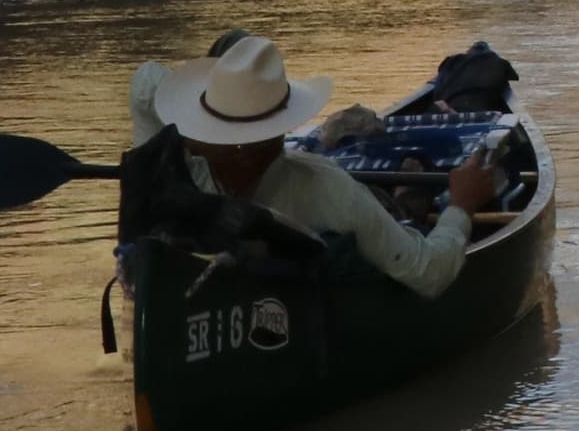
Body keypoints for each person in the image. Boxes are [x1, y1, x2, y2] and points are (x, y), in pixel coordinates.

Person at [129, 34, 499, 300]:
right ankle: (407, 191)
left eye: (239, 144)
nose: (232, 154)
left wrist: (459, 207)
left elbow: (425, 272)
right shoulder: (179, 168)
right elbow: (145, 81)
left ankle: (408, 193)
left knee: (401, 208)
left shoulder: (328, 189)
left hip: (371, 212)